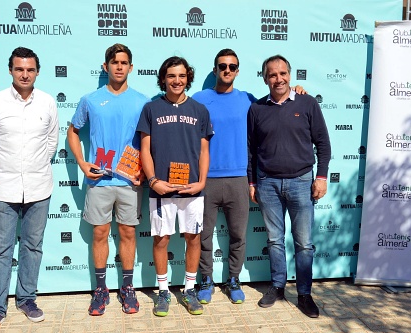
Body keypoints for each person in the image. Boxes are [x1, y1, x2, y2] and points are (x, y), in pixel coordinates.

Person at [192, 48, 307, 305]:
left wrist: (298, 91)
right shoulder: (199, 99)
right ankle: (206, 280)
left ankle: (234, 279)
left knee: (238, 235)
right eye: (222, 66)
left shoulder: (249, 100)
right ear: (215, 70)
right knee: (204, 236)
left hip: (239, 180)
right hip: (206, 178)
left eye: (232, 66)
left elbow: (278, 103)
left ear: (238, 71)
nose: (227, 70)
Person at [0, 47, 59, 333]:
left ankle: (26, 299)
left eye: (30, 69)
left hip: (39, 186)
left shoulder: (48, 102)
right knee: (0, 250)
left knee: (32, 247)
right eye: (19, 69)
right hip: (3, 188)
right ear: (10, 70)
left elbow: (51, 143)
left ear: (37, 71)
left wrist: (33, 167)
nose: (25, 74)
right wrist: (3, 168)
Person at [67, 43, 149, 316]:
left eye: (124, 62)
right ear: (106, 67)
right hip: (99, 180)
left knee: (127, 233)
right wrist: (81, 163)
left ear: (131, 67)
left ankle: (128, 288)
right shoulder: (90, 99)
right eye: (114, 62)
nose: (119, 67)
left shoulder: (142, 101)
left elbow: (151, 142)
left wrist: (145, 172)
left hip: (129, 181)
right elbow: (73, 131)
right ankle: (100, 290)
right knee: (100, 233)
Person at [247, 55, 331, 318]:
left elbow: (323, 143)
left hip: (302, 181)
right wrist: (252, 182)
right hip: (268, 183)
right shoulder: (257, 109)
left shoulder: (307, 103)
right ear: (265, 78)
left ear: (290, 75)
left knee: (304, 243)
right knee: (274, 240)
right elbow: (251, 150)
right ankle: (277, 286)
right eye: (272, 74)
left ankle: (304, 294)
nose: (278, 79)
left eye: (282, 73)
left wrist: (322, 176)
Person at [136, 56, 213, 316]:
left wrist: (201, 182)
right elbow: (144, 150)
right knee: (161, 239)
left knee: (193, 238)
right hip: (161, 189)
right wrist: (153, 180)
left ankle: (189, 289)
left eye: (181, 75)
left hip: (192, 189)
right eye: (171, 76)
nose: (176, 81)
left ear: (188, 78)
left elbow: (204, 151)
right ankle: (163, 292)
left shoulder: (199, 110)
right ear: (163, 79)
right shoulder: (151, 108)